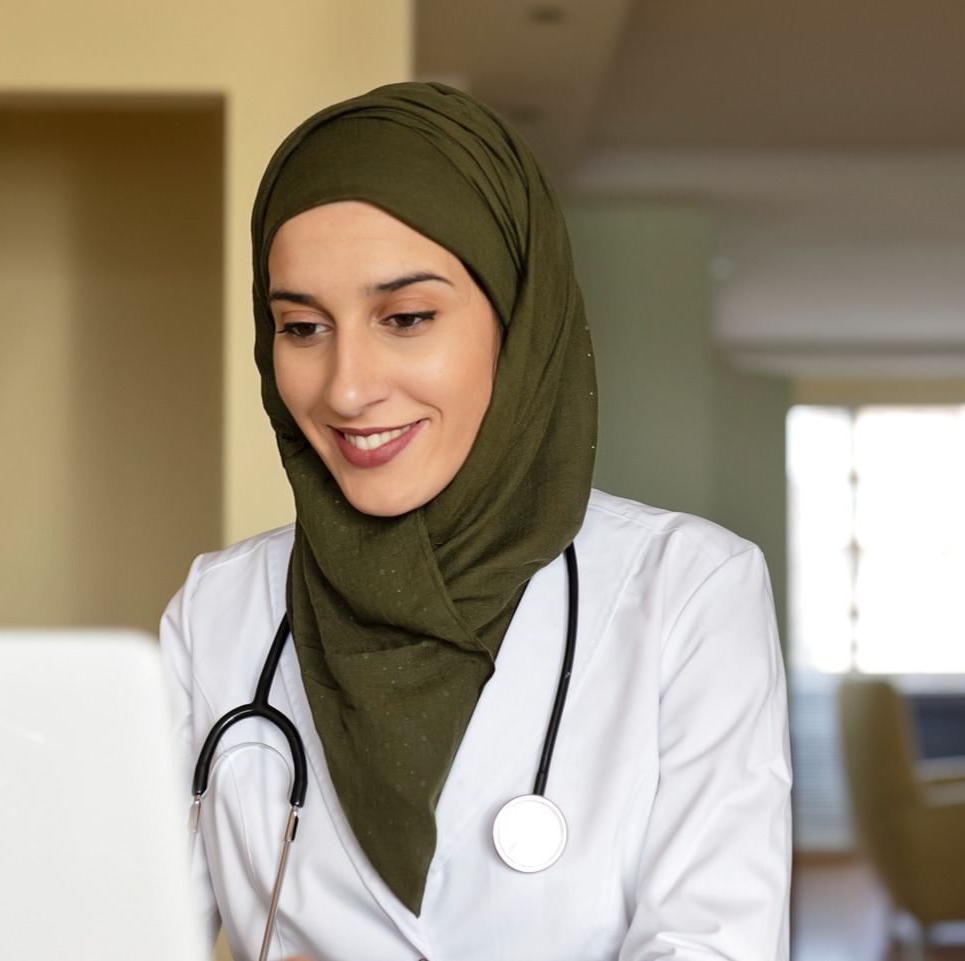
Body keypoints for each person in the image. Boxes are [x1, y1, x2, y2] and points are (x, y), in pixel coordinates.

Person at [160, 82, 791, 961]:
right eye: (301, 327)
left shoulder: (687, 590)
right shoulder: (219, 609)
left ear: (517, 320)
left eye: (406, 317)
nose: (346, 387)